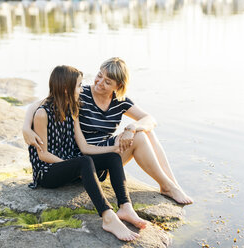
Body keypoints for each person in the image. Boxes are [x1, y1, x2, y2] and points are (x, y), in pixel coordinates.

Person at [23, 58, 193, 205]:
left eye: (107, 81)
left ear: (118, 86)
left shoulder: (120, 101)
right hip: (82, 157)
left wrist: (131, 128)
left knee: (145, 132)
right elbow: (41, 103)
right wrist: (25, 127)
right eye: (99, 75)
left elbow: (150, 119)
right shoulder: (82, 93)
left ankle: (171, 184)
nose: (99, 82)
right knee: (140, 137)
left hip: (104, 153)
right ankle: (168, 186)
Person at [28, 65, 147, 241]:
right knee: (84, 162)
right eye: (78, 86)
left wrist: (113, 149)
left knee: (112, 158)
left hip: (70, 164)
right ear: (67, 89)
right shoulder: (42, 114)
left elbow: (84, 147)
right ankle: (107, 216)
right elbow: (43, 155)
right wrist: (74, 167)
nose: (82, 89)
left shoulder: (72, 110)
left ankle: (125, 206)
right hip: (47, 172)